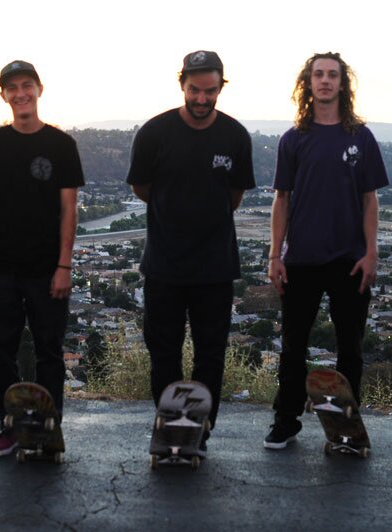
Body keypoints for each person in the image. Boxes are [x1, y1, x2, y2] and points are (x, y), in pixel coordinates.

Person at [126, 50, 256, 453]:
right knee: (163, 352)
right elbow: (142, 190)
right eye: (195, 90)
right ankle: (169, 425)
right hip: (164, 264)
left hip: (215, 267)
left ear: (221, 87)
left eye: (211, 91)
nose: (202, 99)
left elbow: (233, 196)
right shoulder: (154, 133)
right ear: (182, 84)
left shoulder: (235, 136)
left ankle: (200, 427)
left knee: (210, 353)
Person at [264, 52, 388, 450]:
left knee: (350, 348)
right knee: (293, 346)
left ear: (342, 84)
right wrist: (274, 255)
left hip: (350, 261)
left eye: (333, 75)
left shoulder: (361, 138)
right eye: (318, 74)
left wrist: (371, 253)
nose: (325, 81)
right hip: (301, 259)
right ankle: (285, 420)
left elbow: (370, 200)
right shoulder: (293, 139)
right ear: (308, 83)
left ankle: (346, 427)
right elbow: (281, 199)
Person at [0, 60, 84, 457]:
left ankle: (49, 428)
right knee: (2, 351)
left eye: (27, 85)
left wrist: (64, 266)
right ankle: (9, 425)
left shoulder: (61, 145)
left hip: (46, 268)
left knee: (50, 350)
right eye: (12, 87)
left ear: (39, 89)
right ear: (3, 95)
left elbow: (69, 209)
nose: (20, 93)